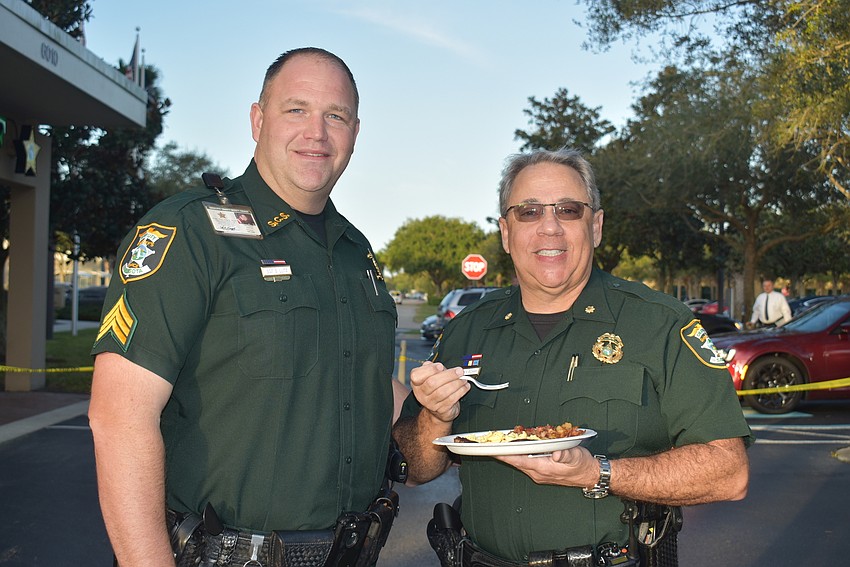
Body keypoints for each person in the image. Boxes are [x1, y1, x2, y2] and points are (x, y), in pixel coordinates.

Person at [89, 47, 405, 567]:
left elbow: (361, 377)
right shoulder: (192, 231)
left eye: (336, 116)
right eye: (296, 109)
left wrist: (439, 412)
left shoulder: (355, 253)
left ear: (354, 133)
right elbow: (119, 417)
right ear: (258, 120)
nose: (316, 133)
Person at [393, 148, 752, 566]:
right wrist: (436, 417)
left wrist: (598, 473)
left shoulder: (660, 324)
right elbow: (415, 469)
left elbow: (729, 471)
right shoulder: (466, 330)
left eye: (568, 210)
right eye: (529, 212)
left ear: (595, 226)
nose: (550, 227)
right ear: (506, 233)